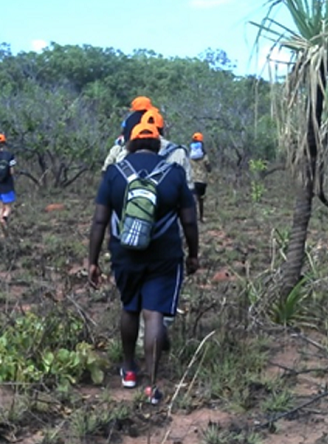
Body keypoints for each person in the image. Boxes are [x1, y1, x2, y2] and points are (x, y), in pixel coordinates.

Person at [88, 122, 199, 405]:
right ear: (157, 143)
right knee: (154, 315)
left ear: (131, 143)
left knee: (129, 308)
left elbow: (100, 220)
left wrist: (92, 261)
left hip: (124, 254)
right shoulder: (173, 174)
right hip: (164, 255)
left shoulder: (115, 173)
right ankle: (152, 384)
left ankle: (128, 370)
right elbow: (189, 220)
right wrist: (194, 254)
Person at [189, 132, 209, 222]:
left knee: (193, 200)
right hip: (202, 180)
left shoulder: (190, 155)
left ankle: (193, 217)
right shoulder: (204, 155)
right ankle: (201, 217)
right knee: (201, 200)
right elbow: (209, 167)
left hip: (192, 179)